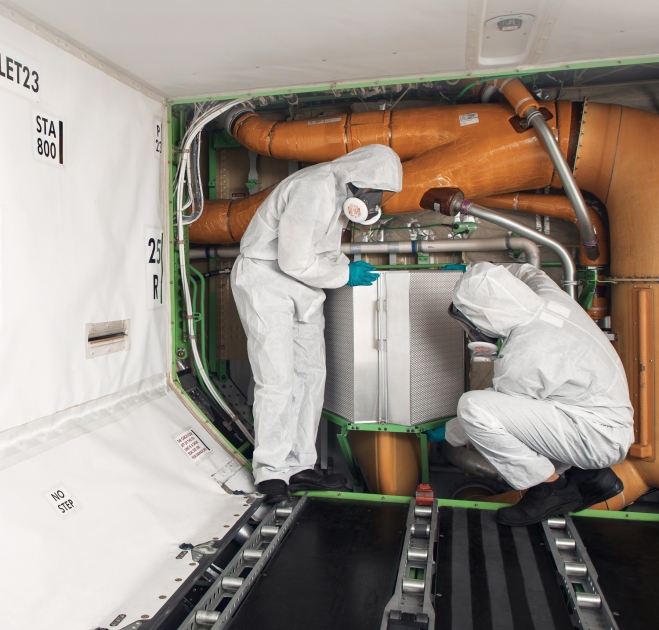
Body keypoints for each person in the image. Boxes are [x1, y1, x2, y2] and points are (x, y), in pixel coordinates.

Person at [231, 145, 403, 503]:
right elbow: (294, 260)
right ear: (358, 177)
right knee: (276, 378)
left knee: (311, 375)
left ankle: (299, 465)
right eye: (375, 191)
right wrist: (344, 275)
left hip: (303, 288)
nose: (374, 200)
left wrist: (342, 267)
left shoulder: (339, 196)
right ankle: (271, 471)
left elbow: (321, 252)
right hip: (266, 281)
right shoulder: (313, 186)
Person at [432, 262, 634, 526]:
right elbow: (528, 271)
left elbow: (495, 415)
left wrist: (447, 433)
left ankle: (549, 490)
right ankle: (593, 478)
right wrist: (473, 272)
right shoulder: (548, 297)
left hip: (594, 437)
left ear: (487, 316)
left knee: (472, 407)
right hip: (600, 420)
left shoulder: (526, 350)